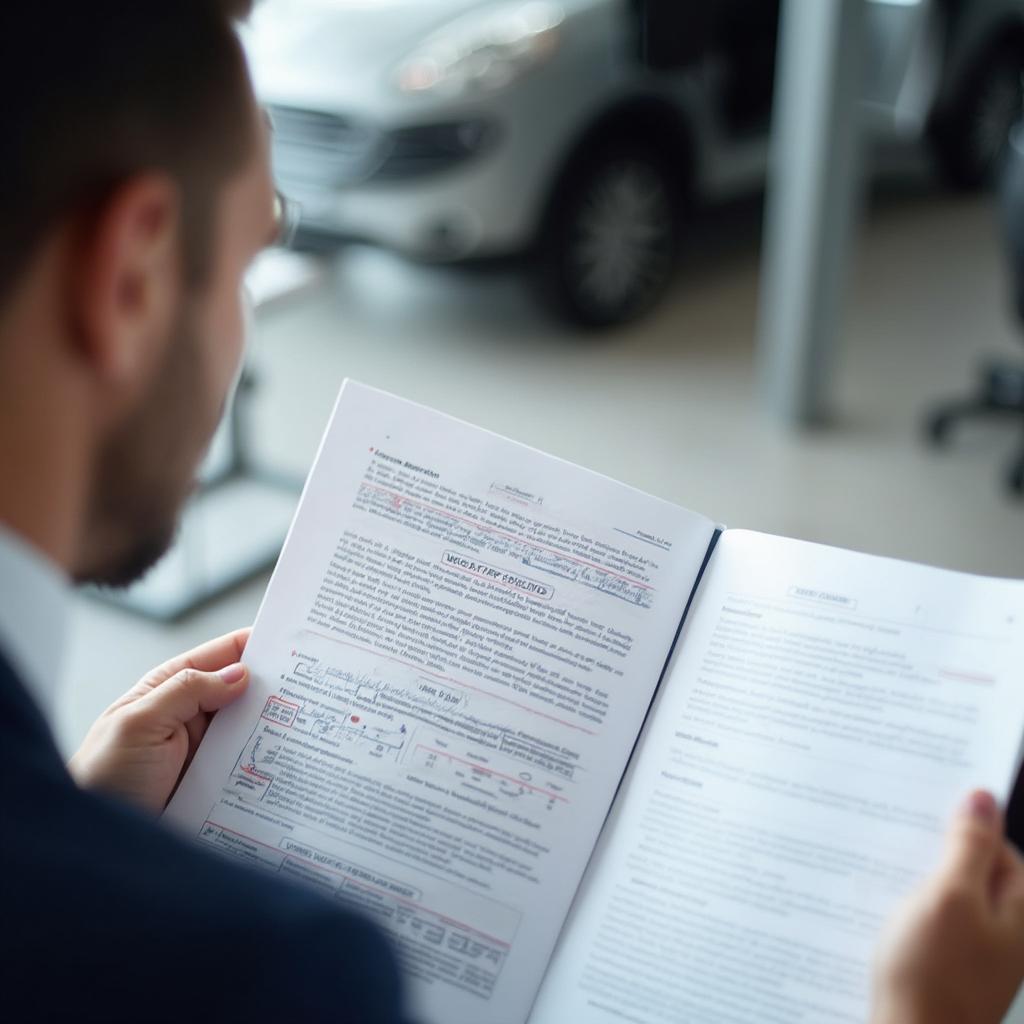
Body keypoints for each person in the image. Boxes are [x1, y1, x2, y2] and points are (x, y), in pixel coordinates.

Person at [0, 3, 1020, 1022]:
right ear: (130, 277)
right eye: (244, 265)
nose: (242, 324)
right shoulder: (276, 970)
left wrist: (91, 827)